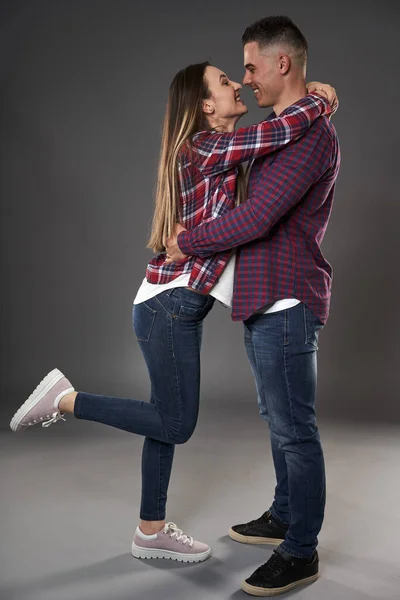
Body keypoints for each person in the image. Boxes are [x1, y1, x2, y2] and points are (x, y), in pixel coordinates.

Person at [10, 58, 335, 565]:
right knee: (175, 422)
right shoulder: (208, 147)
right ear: (207, 105)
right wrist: (320, 97)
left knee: (162, 420)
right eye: (227, 81)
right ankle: (66, 398)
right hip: (167, 307)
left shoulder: (220, 150)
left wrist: (309, 94)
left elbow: (273, 139)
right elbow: (280, 131)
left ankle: (150, 531)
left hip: (171, 307)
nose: (238, 85)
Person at [165, 16, 340, 596]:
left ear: (281, 63)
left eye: (249, 66)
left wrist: (187, 241)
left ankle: (301, 550)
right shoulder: (281, 128)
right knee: (278, 419)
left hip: (288, 297)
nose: (244, 79)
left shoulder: (310, 136)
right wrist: (317, 97)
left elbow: (256, 217)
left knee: (295, 429)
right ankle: (285, 514)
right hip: (263, 297)